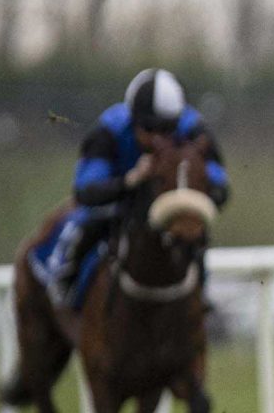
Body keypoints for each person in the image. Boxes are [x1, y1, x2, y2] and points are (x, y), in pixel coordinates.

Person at [40, 68, 230, 307]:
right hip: (120, 202)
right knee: (83, 224)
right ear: (133, 120)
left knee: (193, 230)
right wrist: (130, 180)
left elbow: (220, 187)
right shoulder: (108, 131)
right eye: (149, 130)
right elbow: (85, 191)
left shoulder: (194, 129)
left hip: (167, 204)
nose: (158, 140)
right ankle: (65, 286)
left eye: (166, 130)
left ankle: (200, 294)